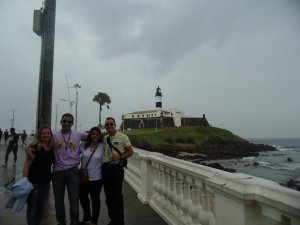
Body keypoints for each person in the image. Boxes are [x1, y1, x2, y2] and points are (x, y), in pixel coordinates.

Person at [26, 113, 88, 225]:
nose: (67, 123)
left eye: (69, 122)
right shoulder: (53, 135)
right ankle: (61, 222)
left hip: (73, 171)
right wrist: (27, 148)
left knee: (74, 199)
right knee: (58, 201)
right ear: (61, 122)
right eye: (64, 121)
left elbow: (94, 135)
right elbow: (39, 142)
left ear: (72, 123)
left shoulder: (78, 134)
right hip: (57, 172)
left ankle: (74, 222)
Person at [102, 117, 134, 225]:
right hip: (106, 169)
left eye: (111, 124)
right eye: (107, 125)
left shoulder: (122, 136)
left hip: (116, 168)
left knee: (117, 196)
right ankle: (113, 219)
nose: (109, 126)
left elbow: (130, 151)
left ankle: (120, 221)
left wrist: (120, 157)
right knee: (108, 196)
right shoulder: (105, 138)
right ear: (105, 126)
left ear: (115, 125)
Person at [23, 126, 55, 225]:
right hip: (33, 183)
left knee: (41, 207)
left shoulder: (52, 147)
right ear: (40, 135)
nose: (46, 135)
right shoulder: (35, 147)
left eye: (48, 133)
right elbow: (27, 165)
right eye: (44, 133)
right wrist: (25, 181)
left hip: (45, 183)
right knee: (32, 208)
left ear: (51, 135)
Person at [79, 127, 104, 225]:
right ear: (90, 135)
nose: (95, 136)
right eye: (93, 134)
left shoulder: (103, 145)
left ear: (99, 136)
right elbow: (73, 152)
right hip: (84, 177)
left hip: (97, 178)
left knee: (95, 199)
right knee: (83, 197)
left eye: (97, 134)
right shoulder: (84, 144)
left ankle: (94, 220)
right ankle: (86, 217)